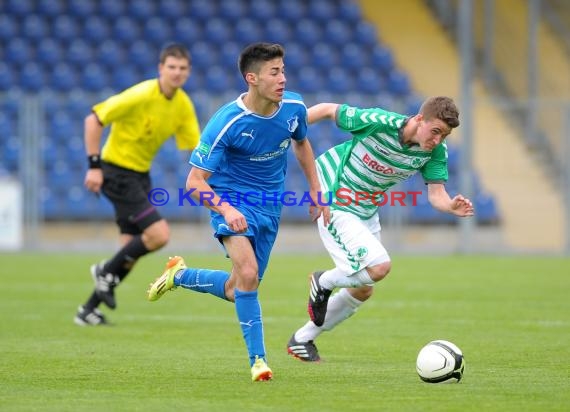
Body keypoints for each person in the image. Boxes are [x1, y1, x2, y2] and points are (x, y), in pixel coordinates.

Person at [146, 42, 330, 381]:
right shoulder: (226, 122)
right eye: (274, 72)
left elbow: (302, 143)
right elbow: (195, 182)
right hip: (231, 201)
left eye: (283, 70)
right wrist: (226, 209)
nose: (283, 79)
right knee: (247, 276)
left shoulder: (293, 107)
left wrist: (317, 191)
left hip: (270, 207)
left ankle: (180, 275)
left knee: (237, 289)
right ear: (252, 78)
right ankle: (258, 361)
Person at [286, 96, 474, 362]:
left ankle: (302, 339)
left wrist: (450, 205)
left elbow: (437, 194)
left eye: (443, 136)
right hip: (336, 196)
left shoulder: (434, 151)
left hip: (366, 210)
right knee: (379, 267)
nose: (437, 140)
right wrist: (287, 127)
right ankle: (324, 281)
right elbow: (329, 110)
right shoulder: (379, 122)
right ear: (419, 119)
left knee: (363, 288)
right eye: (435, 132)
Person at [74, 43, 201, 326]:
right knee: (159, 235)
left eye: (182, 68)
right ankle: (103, 270)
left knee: (128, 251)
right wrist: (94, 166)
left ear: (188, 72)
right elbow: (93, 120)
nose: (177, 73)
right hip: (116, 171)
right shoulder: (141, 94)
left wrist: (211, 178)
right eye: (171, 67)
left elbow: (196, 149)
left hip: (140, 176)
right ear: (160, 69)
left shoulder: (182, 105)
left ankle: (88, 310)